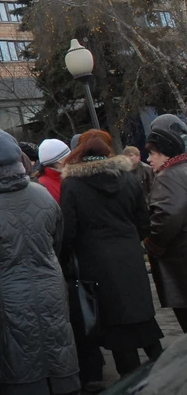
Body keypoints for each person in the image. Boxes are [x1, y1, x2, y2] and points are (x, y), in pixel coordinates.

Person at [0, 130, 79, 395]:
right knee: (57, 368)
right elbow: (57, 243)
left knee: (16, 374)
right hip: (50, 294)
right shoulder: (42, 194)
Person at [60, 130, 163, 381]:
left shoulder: (72, 185)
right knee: (142, 316)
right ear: (108, 150)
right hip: (130, 256)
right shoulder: (127, 179)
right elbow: (143, 222)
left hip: (95, 261)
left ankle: (130, 379)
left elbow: (68, 230)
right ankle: (165, 370)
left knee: (115, 324)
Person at [143, 119, 187, 333]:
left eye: (153, 154)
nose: (149, 160)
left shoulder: (168, 176)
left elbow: (167, 215)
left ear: (166, 153)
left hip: (180, 260)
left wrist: (152, 244)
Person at [37, 138, 71, 203]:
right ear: (59, 161)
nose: (72, 158)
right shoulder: (44, 185)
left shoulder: (68, 176)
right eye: (68, 156)